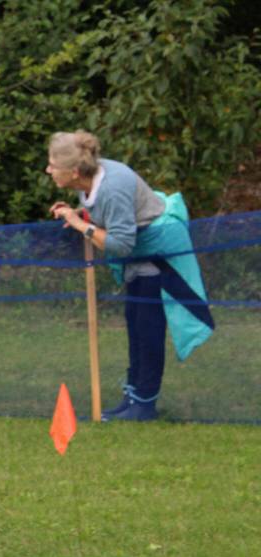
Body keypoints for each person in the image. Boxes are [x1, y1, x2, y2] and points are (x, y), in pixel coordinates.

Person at [47, 130, 214, 421]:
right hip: (139, 252)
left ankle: (144, 404)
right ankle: (133, 396)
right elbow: (107, 217)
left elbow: (121, 245)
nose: (48, 170)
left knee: (148, 329)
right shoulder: (86, 183)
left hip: (158, 254)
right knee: (135, 324)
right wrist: (77, 213)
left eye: (52, 165)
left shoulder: (112, 186)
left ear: (74, 172)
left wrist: (79, 225)